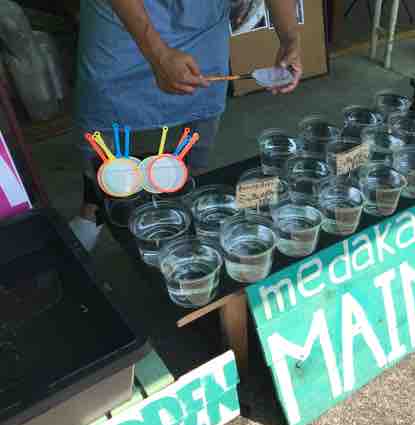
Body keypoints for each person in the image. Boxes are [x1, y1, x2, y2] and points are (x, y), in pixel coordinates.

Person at [69, 0, 302, 251]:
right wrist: (158, 54)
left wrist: (290, 38)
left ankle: (188, 191)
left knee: (200, 114)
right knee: (101, 122)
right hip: (121, 23)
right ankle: (93, 208)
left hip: (202, 23)